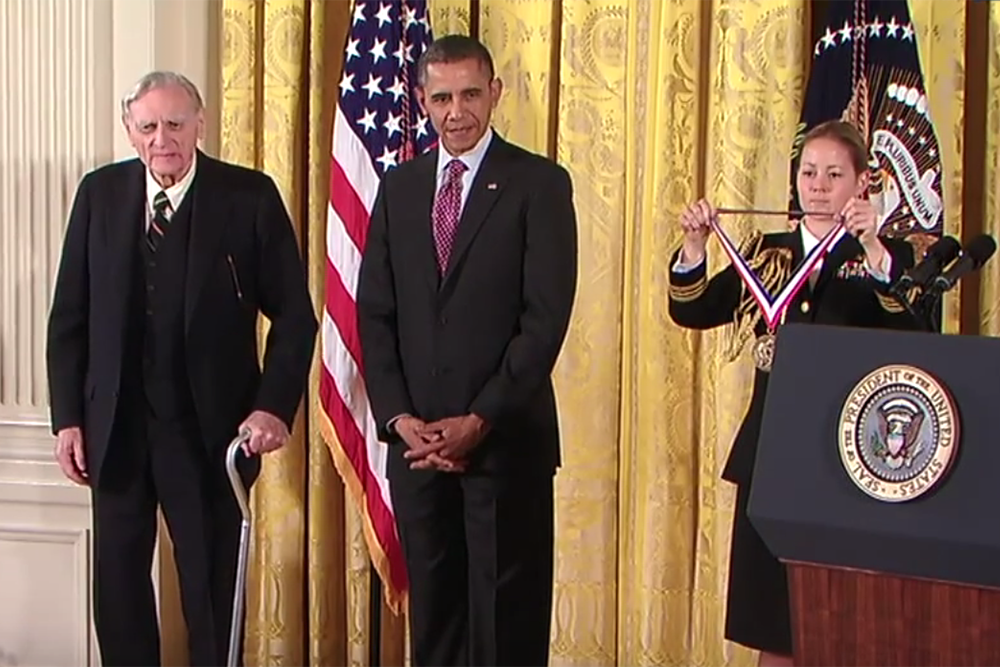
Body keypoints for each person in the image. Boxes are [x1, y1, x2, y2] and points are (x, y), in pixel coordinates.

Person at [46, 71, 317, 667]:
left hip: (208, 432)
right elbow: (69, 319)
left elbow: (296, 318)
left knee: (210, 593)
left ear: (200, 124)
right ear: (130, 130)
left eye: (174, 124)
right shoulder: (100, 195)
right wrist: (67, 418)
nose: (162, 139)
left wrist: (272, 406)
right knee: (117, 594)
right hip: (113, 432)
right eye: (148, 126)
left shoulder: (247, 197)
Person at [356, 34, 578, 667]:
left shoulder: (539, 185)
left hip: (505, 448)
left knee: (507, 631)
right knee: (438, 630)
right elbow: (375, 314)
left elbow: (544, 324)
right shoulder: (398, 189)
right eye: (444, 97)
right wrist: (401, 420)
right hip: (418, 452)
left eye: (471, 95)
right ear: (423, 100)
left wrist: (478, 421)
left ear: (495, 94)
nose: (458, 112)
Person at [668, 120, 919, 667]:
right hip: (773, 457)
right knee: (775, 623)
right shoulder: (765, 251)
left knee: (846, 622)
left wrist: (874, 245)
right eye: (809, 172)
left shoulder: (882, 257)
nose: (819, 185)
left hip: (852, 463)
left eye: (834, 174)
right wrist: (693, 245)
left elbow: (920, 330)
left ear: (861, 184)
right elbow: (692, 308)